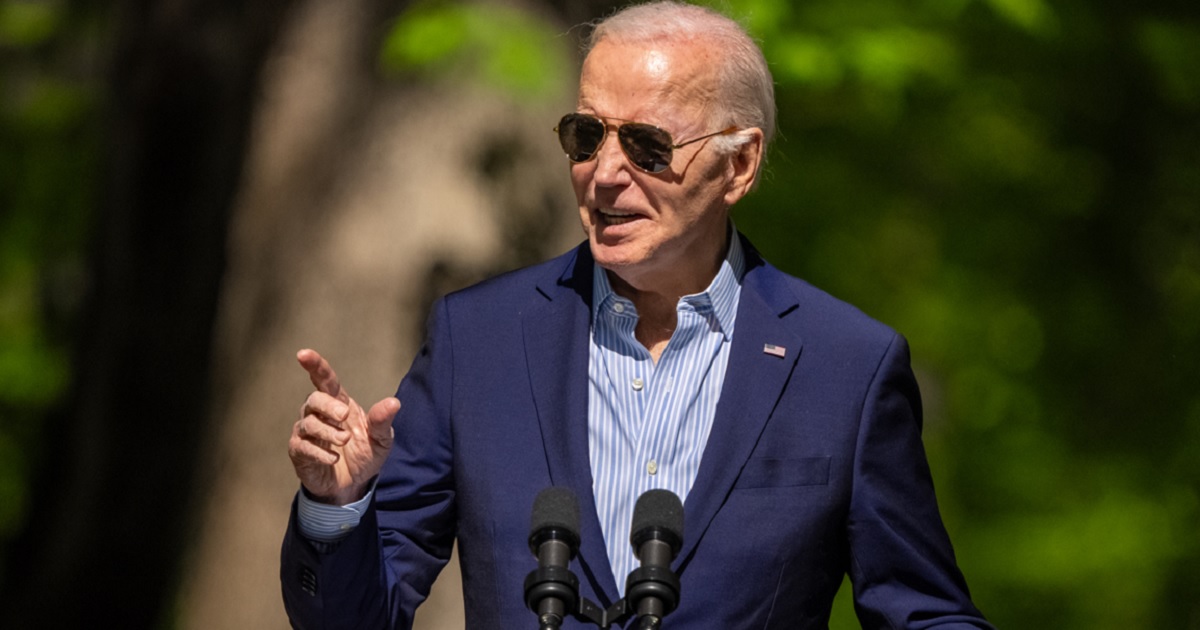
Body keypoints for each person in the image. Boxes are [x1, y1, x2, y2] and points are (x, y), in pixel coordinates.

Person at [280, 2, 992, 628]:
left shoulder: (847, 368)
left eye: (647, 146)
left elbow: (925, 612)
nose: (606, 172)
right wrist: (339, 508)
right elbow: (356, 617)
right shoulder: (479, 340)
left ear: (738, 166)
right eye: (586, 137)